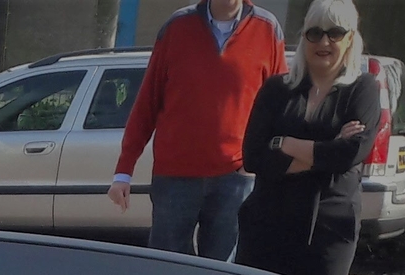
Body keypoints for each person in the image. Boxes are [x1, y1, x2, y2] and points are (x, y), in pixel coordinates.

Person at [108, 0, 287, 260]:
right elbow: (148, 101)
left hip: (235, 179)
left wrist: (263, 164)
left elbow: (280, 106)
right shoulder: (177, 27)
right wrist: (124, 171)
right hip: (174, 177)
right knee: (166, 271)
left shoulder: (267, 29)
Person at [234, 0, 382, 275]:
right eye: (314, 33)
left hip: (329, 229)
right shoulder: (277, 90)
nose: (323, 42)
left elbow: (351, 153)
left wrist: (283, 145)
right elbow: (252, 157)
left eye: (334, 33)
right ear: (303, 38)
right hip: (268, 223)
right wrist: (328, 147)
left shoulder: (363, 89)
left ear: (350, 38)